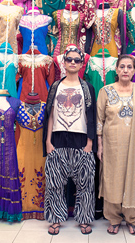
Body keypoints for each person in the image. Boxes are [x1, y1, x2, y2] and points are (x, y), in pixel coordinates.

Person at [96, 54, 135, 235]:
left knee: (134, 178)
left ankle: (131, 218)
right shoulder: (105, 91)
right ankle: (114, 219)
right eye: (122, 66)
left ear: (134, 70)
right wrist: (99, 146)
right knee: (112, 180)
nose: (125, 70)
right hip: (112, 145)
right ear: (116, 69)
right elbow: (99, 121)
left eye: (129, 67)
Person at [43, 46, 97, 235]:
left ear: (82, 64)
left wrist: (90, 143)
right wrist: (48, 142)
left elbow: (92, 116)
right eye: (69, 59)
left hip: (81, 140)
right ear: (64, 63)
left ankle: (84, 219)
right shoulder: (56, 86)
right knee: (55, 183)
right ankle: (56, 219)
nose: (73, 63)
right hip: (57, 140)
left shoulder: (87, 88)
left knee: (86, 184)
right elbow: (49, 115)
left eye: (76, 60)